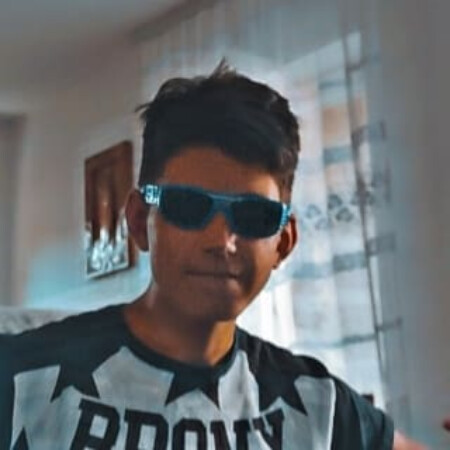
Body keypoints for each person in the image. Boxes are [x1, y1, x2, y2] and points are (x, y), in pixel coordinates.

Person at [0, 63, 427, 449]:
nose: (223, 241)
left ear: (283, 242)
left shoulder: (318, 406)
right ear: (139, 220)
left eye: (254, 216)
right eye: (188, 207)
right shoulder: (22, 378)